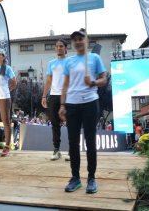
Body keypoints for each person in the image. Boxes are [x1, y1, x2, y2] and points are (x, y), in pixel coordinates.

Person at [58, 29, 107, 194]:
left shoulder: (95, 58)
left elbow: (103, 80)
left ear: (87, 40)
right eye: (75, 39)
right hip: (71, 105)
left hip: (90, 103)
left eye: (81, 38)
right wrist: (62, 105)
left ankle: (91, 178)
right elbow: (65, 85)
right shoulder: (69, 61)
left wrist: (92, 82)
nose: (78, 41)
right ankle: (75, 178)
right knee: (73, 143)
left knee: (90, 141)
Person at [41, 39, 68, 161]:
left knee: (71, 123)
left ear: (65, 48)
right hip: (54, 96)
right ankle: (56, 150)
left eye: (61, 46)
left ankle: (73, 151)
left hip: (68, 95)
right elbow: (48, 81)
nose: (58, 48)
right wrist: (44, 96)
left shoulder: (70, 61)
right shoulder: (51, 63)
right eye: (57, 46)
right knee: (55, 124)